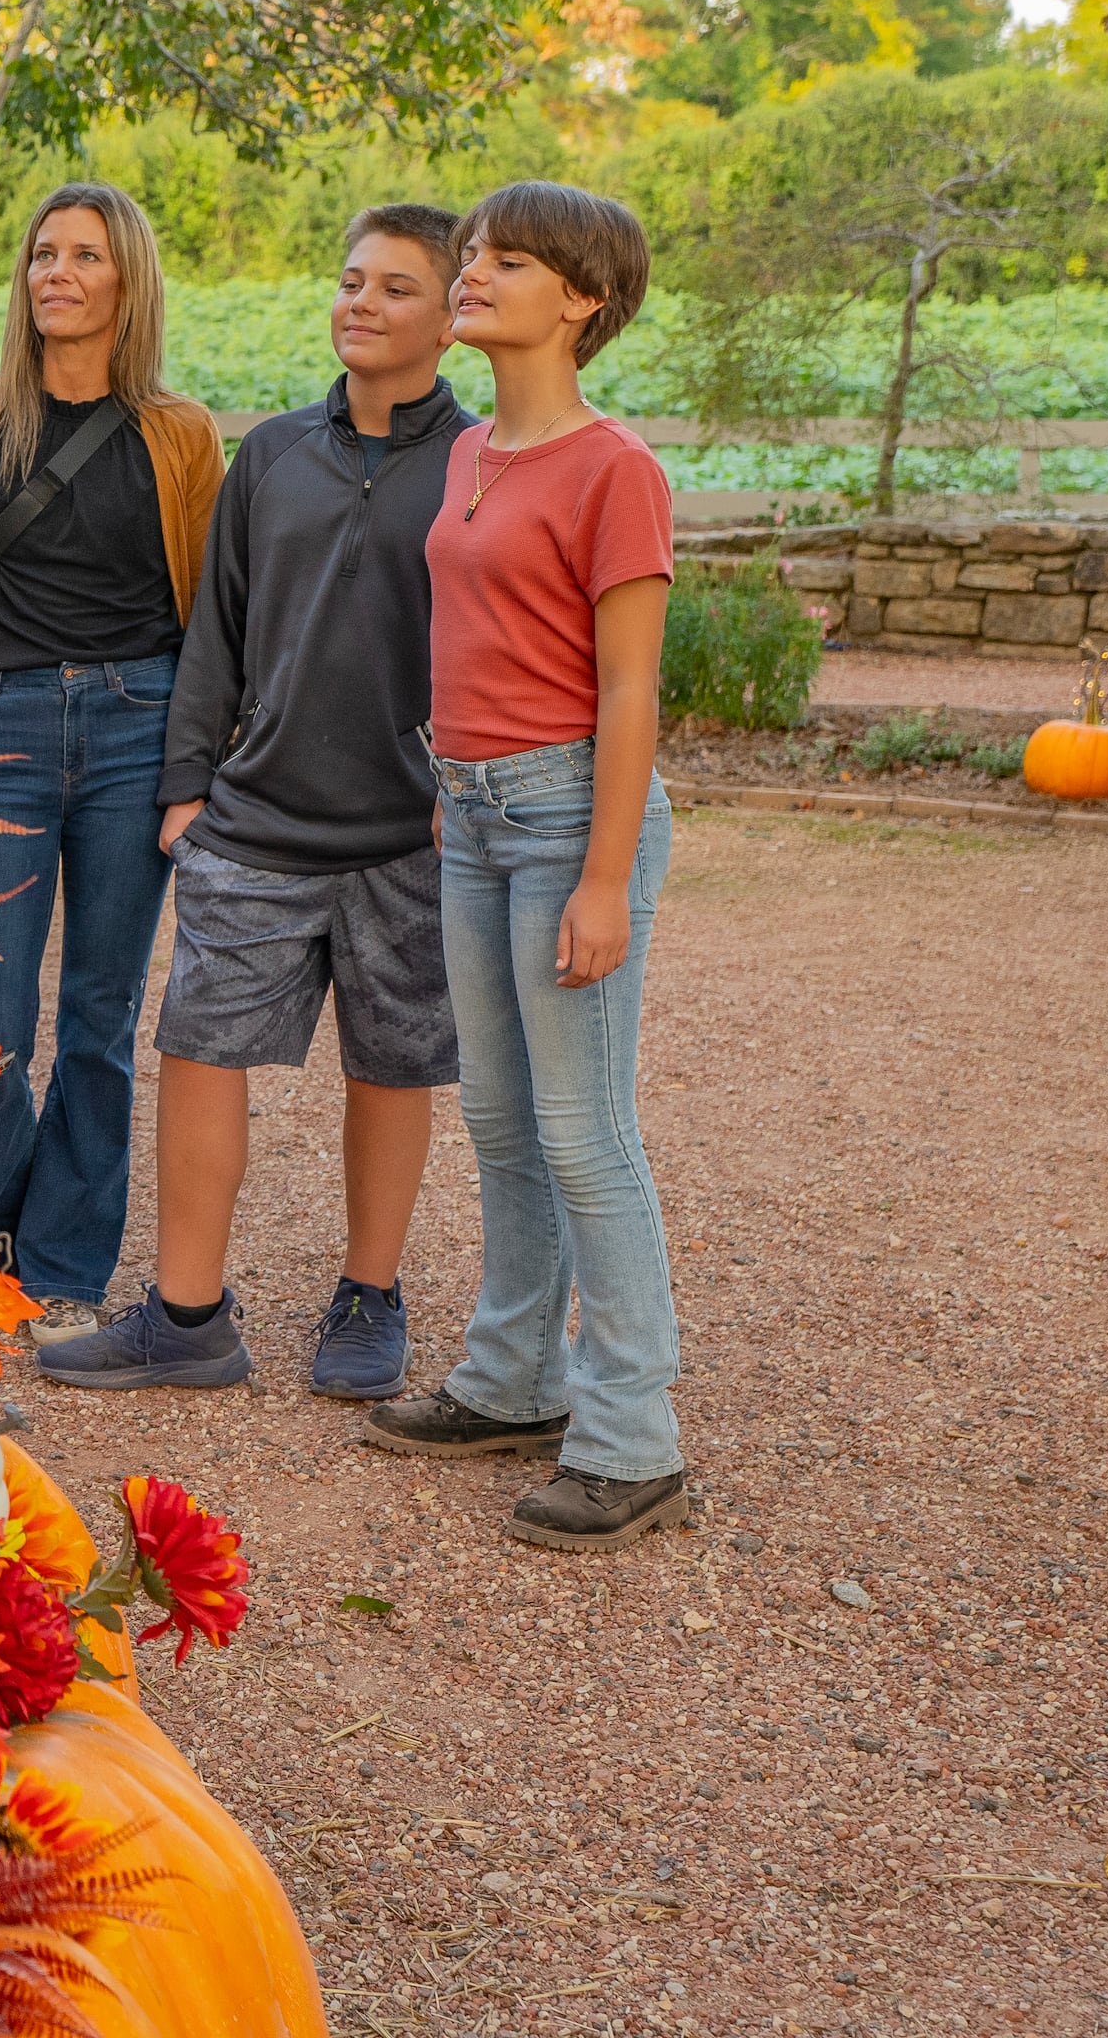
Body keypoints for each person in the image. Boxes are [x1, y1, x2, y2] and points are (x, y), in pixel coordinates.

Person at [37, 205, 473, 1400]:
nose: (361, 304)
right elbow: (213, 633)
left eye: (394, 287)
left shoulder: (481, 466)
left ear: (452, 315)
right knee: (195, 1050)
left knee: (390, 1070)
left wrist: (463, 790)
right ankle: (186, 1319)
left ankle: (369, 1295)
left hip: (409, 835)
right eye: (349, 280)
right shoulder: (273, 452)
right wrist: (187, 788)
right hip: (257, 825)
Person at [363, 181, 689, 1554]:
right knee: (501, 1118)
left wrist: (604, 877)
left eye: (509, 260)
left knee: (585, 1132)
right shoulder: (471, 451)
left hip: (569, 819)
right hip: (475, 815)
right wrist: (456, 789)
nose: (473, 273)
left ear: (584, 300)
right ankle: (514, 1379)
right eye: (475, 255)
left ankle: (633, 1439)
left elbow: (630, 693)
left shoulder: (619, 469)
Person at [0, 185, 224, 1344]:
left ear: (129, 280)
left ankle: (64, 1255)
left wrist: (203, 761)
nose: (55, 272)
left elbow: (215, 609)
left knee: (101, 1012)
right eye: (41, 254)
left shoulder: (182, 434)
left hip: (138, 726)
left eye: (84, 254)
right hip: (4, 730)